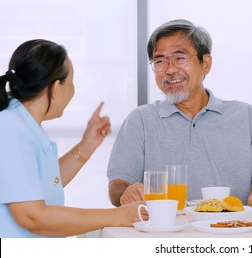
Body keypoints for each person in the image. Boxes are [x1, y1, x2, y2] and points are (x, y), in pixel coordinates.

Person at [107, 19, 252, 209]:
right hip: (164, 230)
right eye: (159, 61)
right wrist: (127, 192)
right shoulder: (140, 120)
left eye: (179, 58)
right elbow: (117, 184)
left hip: (232, 228)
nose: (170, 69)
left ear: (205, 63)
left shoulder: (245, 116)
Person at [0, 39, 144, 238]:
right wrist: (117, 216)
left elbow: (41, 183)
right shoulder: (11, 129)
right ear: (56, 86)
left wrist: (86, 146)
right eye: (71, 81)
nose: (73, 90)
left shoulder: (21, 124)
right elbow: (32, 217)